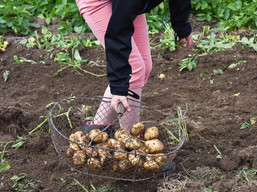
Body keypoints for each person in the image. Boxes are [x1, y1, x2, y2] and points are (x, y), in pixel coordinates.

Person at [76, 0, 193, 131]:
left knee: (144, 66)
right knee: (133, 69)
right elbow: (118, 31)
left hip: (126, 5)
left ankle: (96, 132)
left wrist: (182, 26)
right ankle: (129, 140)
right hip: (98, 2)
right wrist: (119, 87)